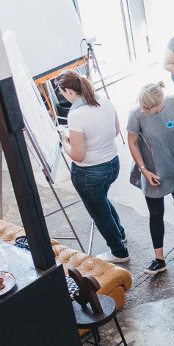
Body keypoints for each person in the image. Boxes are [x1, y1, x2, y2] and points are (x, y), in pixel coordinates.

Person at [56, 71, 128, 264]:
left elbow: (78, 155)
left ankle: (119, 252)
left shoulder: (76, 115)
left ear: (69, 91)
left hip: (89, 173)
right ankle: (120, 233)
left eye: (62, 92)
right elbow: (114, 131)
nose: (63, 96)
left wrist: (64, 141)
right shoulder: (105, 101)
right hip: (112, 164)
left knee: (99, 212)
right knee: (102, 202)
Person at [127, 82, 174, 275]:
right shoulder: (136, 115)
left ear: (160, 103)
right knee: (155, 214)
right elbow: (132, 143)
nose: (143, 109)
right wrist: (143, 169)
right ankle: (159, 258)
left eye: (148, 107)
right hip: (153, 169)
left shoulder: (173, 103)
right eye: (141, 105)